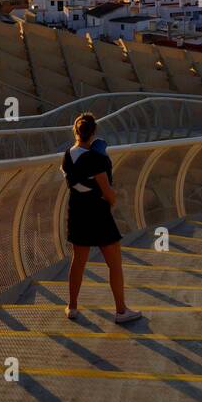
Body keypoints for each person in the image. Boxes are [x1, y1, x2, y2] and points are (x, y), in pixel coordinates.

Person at [60, 113, 141, 324]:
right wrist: (113, 199)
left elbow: (73, 180)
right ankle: (121, 311)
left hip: (77, 210)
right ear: (93, 132)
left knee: (78, 261)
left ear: (76, 132)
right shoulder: (96, 159)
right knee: (114, 263)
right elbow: (108, 192)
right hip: (97, 213)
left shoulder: (68, 155)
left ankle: (73, 307)